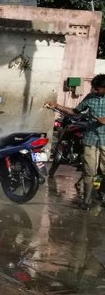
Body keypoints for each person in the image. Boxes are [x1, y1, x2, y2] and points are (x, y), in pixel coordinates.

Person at [45, 74, 105, 210]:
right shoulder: (90, 98)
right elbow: (75, 112)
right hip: (90, 140)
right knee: (89, 171)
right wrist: (57, 106)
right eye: (94, 88)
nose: (95, 90)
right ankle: (86, 201)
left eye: (98, 88)